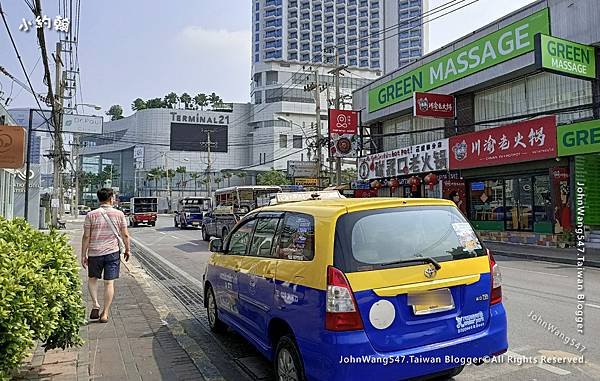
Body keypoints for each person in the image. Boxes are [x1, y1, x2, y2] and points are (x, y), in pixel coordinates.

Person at [81, 188, 131, 323]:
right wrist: (127, 249)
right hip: (112, 253)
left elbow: (86, 236)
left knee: (92, 279)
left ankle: (95, 304)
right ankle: (105, 313)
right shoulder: (119, 214)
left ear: (98, 199)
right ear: (111, 199)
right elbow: (125, 234)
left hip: (94, 252)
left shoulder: (90, 215)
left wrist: (83, 254)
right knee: (109, 283)